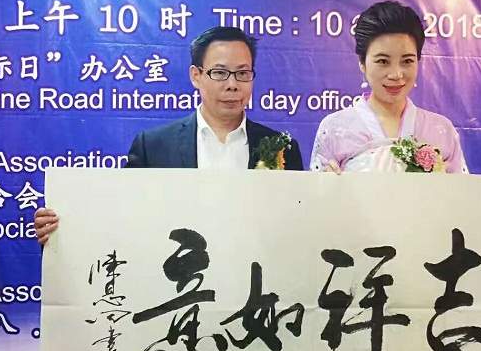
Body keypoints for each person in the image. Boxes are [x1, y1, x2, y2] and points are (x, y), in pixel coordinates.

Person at [35, 26, 304, 244]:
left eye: (243, 73)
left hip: (253, 285)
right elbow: (122, 218)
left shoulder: (283, 149)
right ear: (196, 76)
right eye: (220, 73)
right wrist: (64, 231)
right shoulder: (153, 146)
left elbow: (296, 226)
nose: (232, 84)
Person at [309, 0, 481, 195]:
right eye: (382, 61)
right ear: (362, 63)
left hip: (426, 252)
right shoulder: (335, 128)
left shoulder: (440, 129)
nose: (396, 74)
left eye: (407, 61)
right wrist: (324, 189)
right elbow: (314, 210)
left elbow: (464, 200)